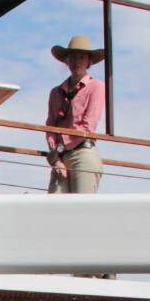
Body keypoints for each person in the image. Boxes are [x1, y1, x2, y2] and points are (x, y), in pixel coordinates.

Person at [46, 35, 106, 194]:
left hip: (83, 154)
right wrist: (56, 160)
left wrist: (58, 150)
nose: (76, 61)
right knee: (52, 207)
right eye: (72, 57)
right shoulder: (55, 92)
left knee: (81, 210)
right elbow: (50, 127)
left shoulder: (96, 87)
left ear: (89, 62)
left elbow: (88, 126)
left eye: (81, 57)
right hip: (61, 157)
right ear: (66, 61)